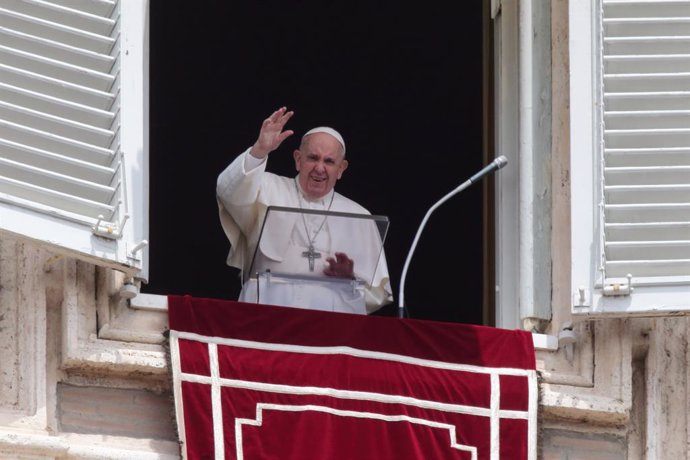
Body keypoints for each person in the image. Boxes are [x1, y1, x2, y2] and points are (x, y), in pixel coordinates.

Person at [216, 107, 393, 314]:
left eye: (329, 161)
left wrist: (351, 279)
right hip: (267, 310)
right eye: (313, 158)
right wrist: (259, 150)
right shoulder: (267, 187)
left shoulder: (360, 216)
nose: (320, 168)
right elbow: (228, 191)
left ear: (341, 169)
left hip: (330, 322)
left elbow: (378, 293)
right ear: (298, 159)